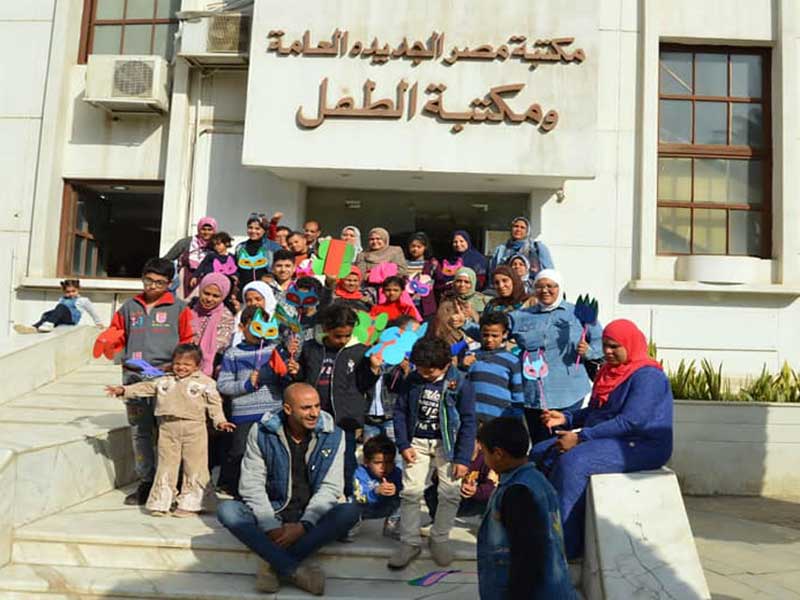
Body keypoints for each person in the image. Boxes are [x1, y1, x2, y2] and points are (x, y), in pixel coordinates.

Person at [532, 319, 673, 560]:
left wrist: (580, 437)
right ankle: (542, 529)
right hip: (611, 439)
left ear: (630, 344)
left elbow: (631, 421)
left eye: (614, 346)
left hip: (642, 444)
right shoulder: (609, 372)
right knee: (540, 451)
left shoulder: (648, 376)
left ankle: (567, 545)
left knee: (573, 463)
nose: (607, 351)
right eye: (605, 345)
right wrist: (565, 419)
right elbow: (597, 412)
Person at [217, 383, 361, 596]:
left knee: (349, 511)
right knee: (227, 510)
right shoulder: (261, 432)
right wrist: (270, 525)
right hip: (273, 510)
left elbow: (331, 487)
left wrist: (305, 524)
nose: (314, 413)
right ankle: (295, 570)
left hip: (311, 513)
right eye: (306, 408)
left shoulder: (334, 435)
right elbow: (252, 484)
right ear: (287, 409)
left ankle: (275, 565)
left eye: (317, 406)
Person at [106, 344, 235, 516]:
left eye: (187, 364)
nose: (181, 367)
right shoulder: (164, 380)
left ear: (197, 366)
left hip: (194, 428)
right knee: (166, 464)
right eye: (177, 363)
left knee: (194, 465)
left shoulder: (206, 383)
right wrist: (124, 390)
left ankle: (192, 504)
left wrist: (220, 421)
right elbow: (144, 388)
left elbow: (215, 405)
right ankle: (161, 502)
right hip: (167, 428)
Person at [105, 258, 193, 505]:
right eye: (149, 280)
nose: (153, 286)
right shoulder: (129, 307)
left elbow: (188, 342)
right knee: (140, 431)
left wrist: (175, 367)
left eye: (160, 282)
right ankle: (146, 481)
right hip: (133, 378)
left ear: (169, 283)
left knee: (168, 432)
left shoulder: (179, 308)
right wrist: (121, 358)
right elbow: (116, 336)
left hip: (166, 378)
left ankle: (169, 483)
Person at [389, 337, 476, 569]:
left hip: (448, 446)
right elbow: (399, 412)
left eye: (430, 372)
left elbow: (468, 421)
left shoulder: (461, 383)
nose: (424, 375)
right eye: (420, 370)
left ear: (446, 364)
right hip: (416, 443)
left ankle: (440, 538)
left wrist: (463, 458)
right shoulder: (412, 380)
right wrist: (403, 444)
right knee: (411, 491)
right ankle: (409, 542)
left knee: (449, 492)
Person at [287, 304, 382, 497]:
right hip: (313, 417)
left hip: (343, 419)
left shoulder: (360, 351)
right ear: (326, 329)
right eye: (337, 336)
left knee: (345, 461)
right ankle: (309, 498)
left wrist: (373, 369)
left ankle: (348, 498)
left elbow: (364, 384)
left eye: (347, 336)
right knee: (311, 458)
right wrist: (296, 372)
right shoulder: (311, 348)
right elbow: (303, 380)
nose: (342, 340)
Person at [477, 417, 575, 599]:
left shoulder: (517, 492)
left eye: (484, 452)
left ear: (498, 453)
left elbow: (528, 557)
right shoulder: (537, 480)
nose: (484, 458)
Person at [511, 269, 603, 444]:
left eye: (550, 286)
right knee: (538, 443)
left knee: (558, 442)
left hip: (569, 391)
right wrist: (465, 325)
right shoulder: (522, 316)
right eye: (539, 286)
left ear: (559, 287)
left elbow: (600, 341)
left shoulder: (578, 313)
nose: (545, 290)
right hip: (533, 392)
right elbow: (492, 332)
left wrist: (589, 352)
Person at [217, 305, 289, 494]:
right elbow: (223, 385)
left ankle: (271, 491)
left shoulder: (275, 350)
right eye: (255, 326)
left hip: (272, 411)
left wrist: (285, 370)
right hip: (244, 414)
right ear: (242, 327)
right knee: (241, 453)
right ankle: (239, 491)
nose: (261, 332)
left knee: (272, 452)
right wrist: (246, 385)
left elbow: (285, 380)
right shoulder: (233, 353)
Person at [463, 311, 524, 421]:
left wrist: (516, 418)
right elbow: (460, 384)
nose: (489, 339)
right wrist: (463, 366)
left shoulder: (512, 360)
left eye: (495, 336)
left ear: (504, 334)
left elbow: (517, 393)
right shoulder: (470, 356)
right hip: (472, 419)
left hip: (500, 420)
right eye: (485, 335)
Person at [424, 439, 495, 521]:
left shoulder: (487, 460)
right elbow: (435, 480)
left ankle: (489, 526)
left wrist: (476, 491)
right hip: (456, 496)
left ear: (479, 445)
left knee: (496, 500)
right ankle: (438, 521)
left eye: (469, 443)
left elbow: (493, 486)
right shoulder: (452, 457)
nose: (465, 448)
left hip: (477, 500)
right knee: (431, 492)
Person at [352, 434, 403, 537]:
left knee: (406, 499)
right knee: (349, 504)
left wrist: (396, 490)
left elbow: (404, 490)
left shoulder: (396, 473)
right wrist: (375, 492)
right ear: (367, 461)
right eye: (378, 462)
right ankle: (351, 525)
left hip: (385, 507)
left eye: (388, 462)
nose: (383, 467)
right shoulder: (359, 473)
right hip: (364, 509)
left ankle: (391, 527)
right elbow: (358, 497)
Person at [14, 279, 104, 334]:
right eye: (68, 292)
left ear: (78, 289)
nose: (71, 294)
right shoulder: (62, 299)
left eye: (73, 291)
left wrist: (98, 323)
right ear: (64, 291)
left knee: (61, 307)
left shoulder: (83, 300)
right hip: (63, 319)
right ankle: (35, 327)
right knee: (47, 313)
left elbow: (92, 312)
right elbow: (58, 312)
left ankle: (49, 325)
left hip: (71, 320)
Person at [189, 273, 236, 377]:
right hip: (182, 362)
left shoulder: (226, 316)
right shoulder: (189, 309)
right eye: (206, 293)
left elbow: (220, 344)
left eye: (216, 296)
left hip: (211, 366)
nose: (209, 299)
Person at [162, 216, 217, 299]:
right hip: (182, 281)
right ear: (198, 229)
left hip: (205, 283)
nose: (206, 232)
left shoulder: (217, 245)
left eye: (210, 230)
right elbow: (167, 259)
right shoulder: (186, 243)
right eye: (203, 229)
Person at [488, 216, 554, 280]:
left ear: (527, 231)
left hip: (532, 289)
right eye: (516, 226)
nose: (518, 229)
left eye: (522, 227)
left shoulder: (537, 248)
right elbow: (492, 272)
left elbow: (549, 273)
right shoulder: (501, 250)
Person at [235, 213, 282, 288]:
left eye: (257, 228)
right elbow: (238, 270)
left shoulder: (273, 247)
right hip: (244, 288)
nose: (253, 231)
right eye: (250, 228)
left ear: (264, 230)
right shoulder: (240, 247)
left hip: (266, 288)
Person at [231, 281, 278, 346]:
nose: (253, 303)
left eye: (258, 299)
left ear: (267, 298)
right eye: (248, 300)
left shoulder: (277, 318)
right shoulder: (240, 317)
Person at [404, 231, 438, 320]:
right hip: (407, 304)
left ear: (425, 248)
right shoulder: (404, 264)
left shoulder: (431, 264)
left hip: (426, 306)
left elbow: (440, 281)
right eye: (413, 246)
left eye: (419, 247)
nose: (415, 249)